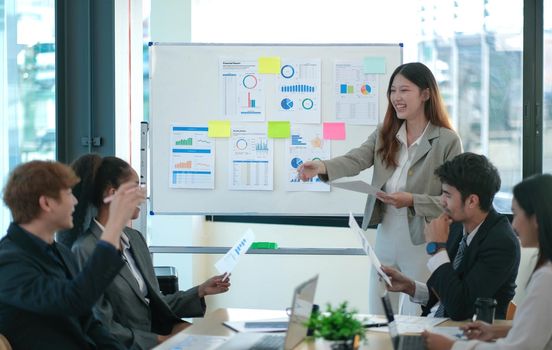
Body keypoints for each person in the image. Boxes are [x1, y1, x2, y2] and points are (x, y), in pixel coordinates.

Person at [298, 62, 462, 315]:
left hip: (422, 239)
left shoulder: (447, 140)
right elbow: (356, 159)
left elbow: (452, 200)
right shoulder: (386, 132)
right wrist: (320, 166)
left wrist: (411, 200)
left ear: (426, 94)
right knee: (378, 311)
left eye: (404, 90)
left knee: (415, 315)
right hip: (386, 234)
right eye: (393, 91)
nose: (396, 97)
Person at [60, 154, 231, 350]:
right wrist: (159, 340)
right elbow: (102, 326)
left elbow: (153, 304)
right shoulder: (85, 250)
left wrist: (200, 291)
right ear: (113, 194)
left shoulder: (135, 239)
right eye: (135, 186)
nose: (143, 193)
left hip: (158, 333)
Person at [0, 160, 145, 349]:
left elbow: (89, 323)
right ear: (46, 203)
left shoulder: (61, 252)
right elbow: (74, 300)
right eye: (69, 193)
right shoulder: (8, 262)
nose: (75, 201)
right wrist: (115, 223)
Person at [381, 153, 520, 320]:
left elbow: (460, 307)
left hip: (468, 335)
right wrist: (410, 287)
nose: (442, 201)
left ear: (472, 201)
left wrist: (437, 248)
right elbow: (447, 293)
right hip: (437, 326)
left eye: (447, 195)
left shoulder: (502, 243)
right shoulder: (456, 226)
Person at [422, 173, 552, 350]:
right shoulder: (455, 227)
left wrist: (452, 346)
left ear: (535, 219)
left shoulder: (546, 276)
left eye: (516, 213)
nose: (513, 225)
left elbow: (520, 348)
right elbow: (538, 328)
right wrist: (498, 331)